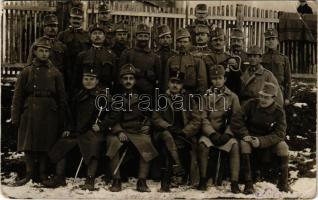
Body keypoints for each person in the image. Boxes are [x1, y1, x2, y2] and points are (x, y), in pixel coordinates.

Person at [44, 67, 117, 190]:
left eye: (92, 79)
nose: (88, 81)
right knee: (63, 143)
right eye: (86, 79)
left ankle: (90, 179)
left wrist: (101, 125)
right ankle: (59, 177)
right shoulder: (79, 95)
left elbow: (114, 114)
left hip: (93, 131)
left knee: (93, 146)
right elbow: (71, 115)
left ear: (97, 81)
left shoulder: (103, 96)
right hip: (77, 131)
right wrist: (68, 128)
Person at [11, 38, 67, 186]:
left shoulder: (55, 72)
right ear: (35, 51)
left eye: (47, 51)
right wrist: (15, 116)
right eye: (41, 50)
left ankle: (42, 174)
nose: (44, 54)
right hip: (31, 108)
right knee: (28, 143)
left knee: (45, 142)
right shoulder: (27, 71)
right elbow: (18, 96)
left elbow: (62, 97)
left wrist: (62, 118)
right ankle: (29, 173)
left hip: (49, 110)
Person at [231, 82, 291, 194]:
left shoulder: (279, 112)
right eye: (261, 96)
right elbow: (236, 120)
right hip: (250, 137)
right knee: (244, 145)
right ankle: (248, 183)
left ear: (273, 97)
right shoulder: (251, 104)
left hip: (268, 141)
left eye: (266, 97)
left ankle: (284, 183)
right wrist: (245, 135)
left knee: (283, 147)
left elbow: (280, 133)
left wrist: (261, 141)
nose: (263, 99)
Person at [106, 64, 159, 192]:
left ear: (135, 81)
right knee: (112, 142)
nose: (128, 81)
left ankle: (142, 180)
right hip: (121, 130)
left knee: (146, 142)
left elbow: (149, 115)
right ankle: (116, 180)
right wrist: (118, 131)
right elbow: (110, 118)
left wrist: (146, 125)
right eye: (125, 78)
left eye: (131, 78)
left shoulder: (143, 96)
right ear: (121, 80)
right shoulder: (114, 96)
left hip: (137, 130)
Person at [152, 70, 201, 192]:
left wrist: (185, 132)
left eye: (178, 83)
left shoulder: (188, 99)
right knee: (167, 136)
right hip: (163, 133)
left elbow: (196, 120)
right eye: (173, 82)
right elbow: (155, 118)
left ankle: (185, 177)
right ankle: (172, 173)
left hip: (183, 135)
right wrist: (168, 126)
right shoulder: (162, 98)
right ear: (168, 83)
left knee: (192, 147)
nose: (175, 85)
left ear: (182, 85)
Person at [198, 65, 241, 193]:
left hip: (225, 134)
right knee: (202, 145)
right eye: (214, 78)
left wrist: (228, 134)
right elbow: (203, 118)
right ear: (211, 80)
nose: (217, 81)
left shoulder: (233, 97)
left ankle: (234, 182)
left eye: (220, 78)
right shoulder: (205, 96)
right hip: (210, 134)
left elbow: (236, 119)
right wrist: (211, 134)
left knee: (234, 146)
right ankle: (203, 180)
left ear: (225, 79)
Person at [119, 23, 161, 94]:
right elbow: (120, 75)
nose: (143, 39)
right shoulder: (127, 53)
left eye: (145, 36)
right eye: (140, 36)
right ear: (136, 37)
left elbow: (158, 77)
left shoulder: (155, 56)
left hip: (148, 92)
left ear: (149, 38)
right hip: (130, 91)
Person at [57, 7, 90, 98]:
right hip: (66, 70)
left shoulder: (87, 35)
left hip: (82, 70)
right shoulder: (62, 35)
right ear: (70, 19)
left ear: (82, 20)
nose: (76, 21)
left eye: (78, 19)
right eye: (74, 18)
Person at [164, 28, 208, 94]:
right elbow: (166, 81)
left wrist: (198, 97)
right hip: (174, 95)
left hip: (191, 94)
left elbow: (202, 82)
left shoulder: (197, 60)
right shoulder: (171, 60)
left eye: (185, 42)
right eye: (180, 42)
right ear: (176, 43)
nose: (182, 44)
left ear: (190, 43)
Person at [27, 14, 68, 82]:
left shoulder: (62, 46)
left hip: (57, 80)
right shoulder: (37, 44)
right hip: (41, 79)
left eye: (55, 26)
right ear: (44, 28)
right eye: (49, 26)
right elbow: (29, 66)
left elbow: (66, 68)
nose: (52, 29)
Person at [76, 23, 115, 91]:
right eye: (94, 33)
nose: (97, 35)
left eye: (100, 33)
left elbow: (114, 77)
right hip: (86, 91)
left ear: (104, 36)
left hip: (104, 91)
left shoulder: (111, 55)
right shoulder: (82, 55)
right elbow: (77, 77)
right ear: (90, 36)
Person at [205, 27, 241, 95]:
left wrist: (235, 67)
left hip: (228, 92)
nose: (218, 42)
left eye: (220, 40)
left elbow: (236, 79)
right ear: (211, 42)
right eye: (215, 40)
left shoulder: (229, 57)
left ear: (225, 42)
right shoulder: (207, 58)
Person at [262, 28, 291, 105]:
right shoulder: (262, 58)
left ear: (277, 41)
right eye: (268, 39)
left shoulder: (284, 58)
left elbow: (288, 80)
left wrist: (287, 97)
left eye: (273, 39)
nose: (270, 41)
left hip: (279, 92)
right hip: (265, 92)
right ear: (265, 42)